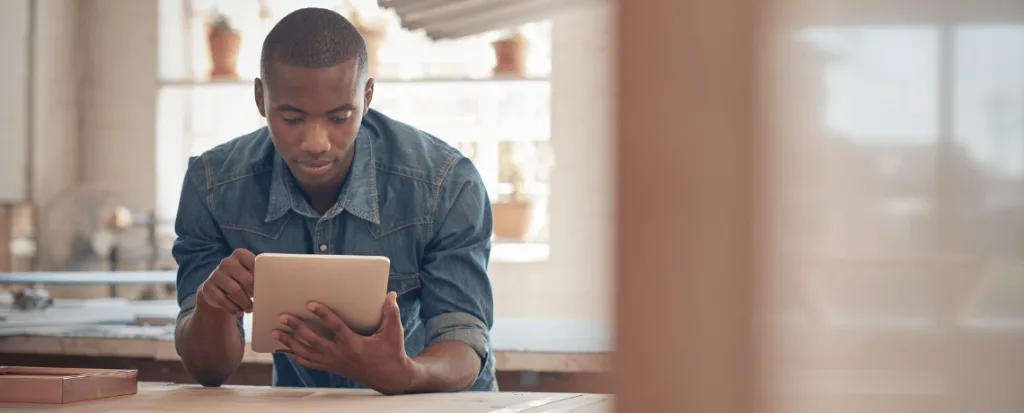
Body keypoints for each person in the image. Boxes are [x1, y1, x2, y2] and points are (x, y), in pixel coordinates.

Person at [171, 7, 496, 394]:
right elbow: (210, 371)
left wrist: (408, 374)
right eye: (292, 119)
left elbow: (465, 340)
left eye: (340, 118)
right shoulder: (212, 186)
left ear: (367, 96)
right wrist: (212, 307)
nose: (315, 144)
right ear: (261, 98)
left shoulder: (446, 184)